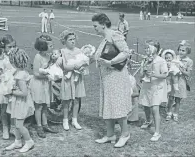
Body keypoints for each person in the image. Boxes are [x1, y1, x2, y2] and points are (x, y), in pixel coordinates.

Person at [92, 13, 132, 148]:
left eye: (95, 26)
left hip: (116, 76)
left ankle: (125, 134)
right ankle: (110, 134)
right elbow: (98, 56)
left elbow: (126, 52)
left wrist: (111, 62)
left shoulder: (115, 35)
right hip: (107, 78)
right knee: (108, 105)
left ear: (103, 25)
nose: (94, 28)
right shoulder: (104, 39)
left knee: (117, 104)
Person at [5, 48, 35, 153]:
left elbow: (24, 93)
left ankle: (29, 141)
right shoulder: (19, 72)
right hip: (17, 102)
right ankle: (18, 141)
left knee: (19, 125)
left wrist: (10, 91)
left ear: (14, 61)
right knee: (15, 123)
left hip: (21, 103)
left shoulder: (20, 75)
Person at [57, 30, 87, 131]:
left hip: (77, 78)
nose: (73, 41)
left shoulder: (79, 51)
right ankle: (65, 120)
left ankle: (74, 120)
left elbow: (83, 63)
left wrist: (82, 66)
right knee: (66, 100)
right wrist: (75, 66)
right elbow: (65, 66)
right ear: (64, 41)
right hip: (67, 78)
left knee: (77, 99)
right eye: (70, 40)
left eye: (74, 39)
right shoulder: (62, 52)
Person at [30, 35, 58, 138]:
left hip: (46, 84)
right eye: (50, 45)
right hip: (39, 84)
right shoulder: (38, 57)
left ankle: (45, 124)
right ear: (43, 46)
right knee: (39, 106)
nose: (52, 46)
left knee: (45, 106)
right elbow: (36, 74)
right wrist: (48, 75)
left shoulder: (48, 56)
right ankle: (39, 126)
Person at [139, 44, 168, 142]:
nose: (146, 49)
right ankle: (148, 121)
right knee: (146, 105)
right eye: (145, 48)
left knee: (155, 108)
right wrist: (144, 71)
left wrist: (154, 74)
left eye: (148, 48)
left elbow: (165, 75)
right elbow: (141, 74)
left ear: (155, 50)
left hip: (157, 87)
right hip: (147, 86)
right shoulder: (145, 60)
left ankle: (157, 132)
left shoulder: (161, 60)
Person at [0, 34, 17, 140]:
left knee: (14, 107)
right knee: (4, 108)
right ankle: (5, 127)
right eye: (9, 47)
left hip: (14, 84)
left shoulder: (16, 56)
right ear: (3, 48)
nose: (12, 49)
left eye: (13, 46)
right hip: (4, 85)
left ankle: (13, 127)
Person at [166, 41, 193, 122]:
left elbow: (188, 74)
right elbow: (169, 63)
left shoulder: (189, 61)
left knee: (178, 99)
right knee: (171, 98)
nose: (181, 52)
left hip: (181, 82)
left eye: (183, 50)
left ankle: (175, 114)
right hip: (172, 80)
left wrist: (181, 69)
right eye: (180, 50)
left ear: (187, 52)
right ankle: (169, 112)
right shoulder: (175, 57)